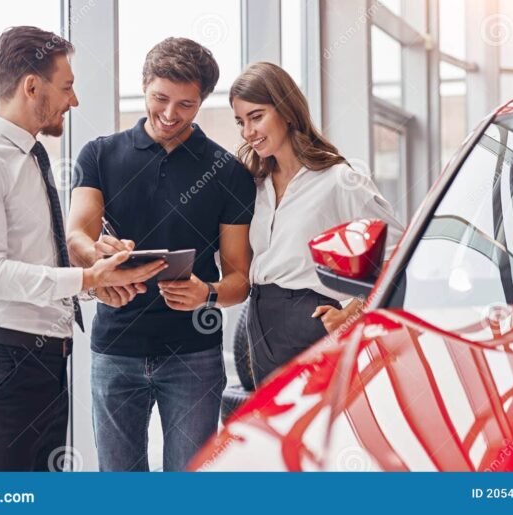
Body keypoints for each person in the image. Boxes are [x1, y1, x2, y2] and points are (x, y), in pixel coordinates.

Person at [0, 26, 167, 472]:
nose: (74, 100)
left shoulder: (30, 158)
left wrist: (94, 275)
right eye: (66, 87)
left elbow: (32, 260)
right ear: (30, 86)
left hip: (43, 366)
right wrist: (87, 278)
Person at [66, 37, 255, 472]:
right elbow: (77, 234)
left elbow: (239, 279)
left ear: (202, 101)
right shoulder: (100, 154)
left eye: (186, 105)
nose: (170, 115)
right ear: (144, 86)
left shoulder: (227, 172)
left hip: (193, 356)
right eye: (160, 99)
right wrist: (96, 255)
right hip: (115, 349)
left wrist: (206, 293)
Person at [230, 62, 404, 385]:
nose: (247, 132)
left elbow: (398, 249)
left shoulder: (339, 180)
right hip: (260, 323)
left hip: (313, 320)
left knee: (320, 430)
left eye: (256, 117)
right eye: (241, 122)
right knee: (277, 430)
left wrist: (352, 311)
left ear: (286, 111)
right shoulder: (254, 186)